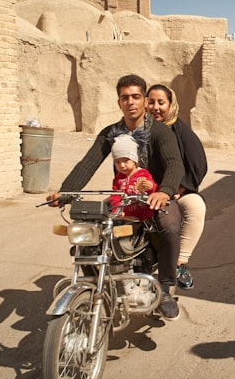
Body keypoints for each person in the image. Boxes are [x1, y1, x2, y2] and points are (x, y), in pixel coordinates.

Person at [47, 74, 184, 320]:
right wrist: (65, 193)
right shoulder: (110, 132)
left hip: (156, 195)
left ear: (144, 100)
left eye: (136, 96)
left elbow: (175, 163)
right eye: (125, 97)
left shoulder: (160, 132)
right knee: (91, 224)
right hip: (123, 197)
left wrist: (164, 191)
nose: (130, 102)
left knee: (169, 227)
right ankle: (95, 281)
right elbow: (87, 165)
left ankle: (164, 288)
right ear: (119, 102)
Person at [147, 84, 208, 290]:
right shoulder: (139, 129)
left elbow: (198, 163)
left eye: (161, 103)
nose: (155, 107)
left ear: (170, 105)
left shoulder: (179, 130)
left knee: (196, 207)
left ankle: (180, 262)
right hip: (143, 191)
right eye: (151, 102)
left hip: (175, 191)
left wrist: (176, 190)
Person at [108, 134, 156, 220]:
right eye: (117, 162)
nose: (122, 165)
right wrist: (117, 211)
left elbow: (154, 190)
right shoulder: (118, 179)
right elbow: (115, 196)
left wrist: (151, 187)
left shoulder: (143, 174)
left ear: (134, 160)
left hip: (144, 216)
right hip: (125, 216)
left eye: (126, 161)